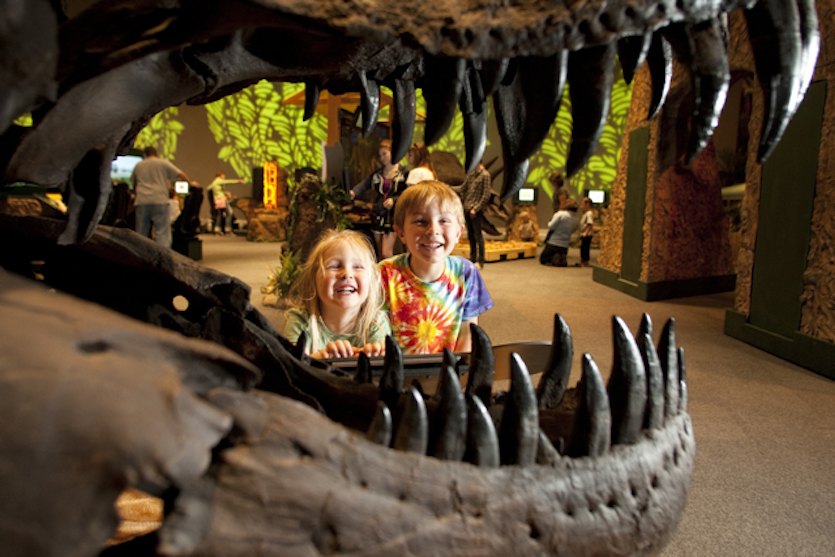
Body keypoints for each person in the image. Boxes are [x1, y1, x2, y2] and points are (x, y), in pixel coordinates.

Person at [381, 180, 493, 354]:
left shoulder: (466, 273)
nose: (433, 230)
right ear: (401, 233)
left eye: (444, 221)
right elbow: (377, 333)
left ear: (458, 233)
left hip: (449, 373)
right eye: (420, 221)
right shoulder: (384, 273)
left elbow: (468, 336)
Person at [283, 229, 391, 359]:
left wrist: (377, 358)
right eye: (334, 266)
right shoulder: (300, 321)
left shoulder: (376, 322)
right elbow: (292, 369)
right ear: (313, 280)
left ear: (371, 280)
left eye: (357, 267)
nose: (347, 274)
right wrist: (322, 358)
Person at [350, 139, 409, 260]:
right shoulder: (378, 174)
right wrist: (354, 192)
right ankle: (381, 276)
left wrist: (394, 200)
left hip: (393, 215)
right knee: (379, 252)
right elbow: (365, 183)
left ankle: (390, 275)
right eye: (380, 155)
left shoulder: (404, 173)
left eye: (385, 154)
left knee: (386, 253)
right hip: (378, 212)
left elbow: (408, 192)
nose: (382, 158)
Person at [131, 146, 195, 248]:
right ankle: (164, 256)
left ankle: (140, 256)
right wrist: (191, 183)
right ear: (156, 153)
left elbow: (134, 185)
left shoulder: (138, 166)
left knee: (141, 232)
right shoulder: (162, 163)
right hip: (160, 199)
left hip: (142, 200)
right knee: (162, 232)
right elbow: (180, 173)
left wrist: (135, 195)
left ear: (144, 154)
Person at [457, 161, 492, 269]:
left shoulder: (485, 175)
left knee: (478, 235)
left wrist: (476, 209)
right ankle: (472, 258)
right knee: (470, 235)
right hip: (467, 208)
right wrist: (447, 187)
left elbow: (486, 194)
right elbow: (462, 188)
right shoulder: (471, 175)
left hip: (476, 211)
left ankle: (480, 260)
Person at [540, 198, 580, 267]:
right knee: (560, 251)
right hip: (565, 245)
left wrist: (553, 218)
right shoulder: (577, 219)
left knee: (543, 259)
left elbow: (551, 226)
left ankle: (554, 258)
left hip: (553, 243)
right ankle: (561, 257)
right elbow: (573, 231)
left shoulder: (561, 214)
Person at [207, 171, 243, 235]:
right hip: (221, 199)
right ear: (221, 175)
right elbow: (228, 182)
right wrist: (238, 181)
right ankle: (228, 229)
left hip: (217, 200)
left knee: (219, 215)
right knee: (229, 213)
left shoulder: (214, 182)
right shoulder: (219, 180)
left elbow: (209, 188)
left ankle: (217, 229)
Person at [576, 197, 594, 267]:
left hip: (587, 234)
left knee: (585, 247)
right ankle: (583, 259)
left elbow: (590, 223)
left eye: (583, 205)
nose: (581, 206)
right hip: (584, 233)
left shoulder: (589, 214)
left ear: (588, 204)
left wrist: (586, 232)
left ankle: (585, 259)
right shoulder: (586, 213)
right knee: (583, 247)